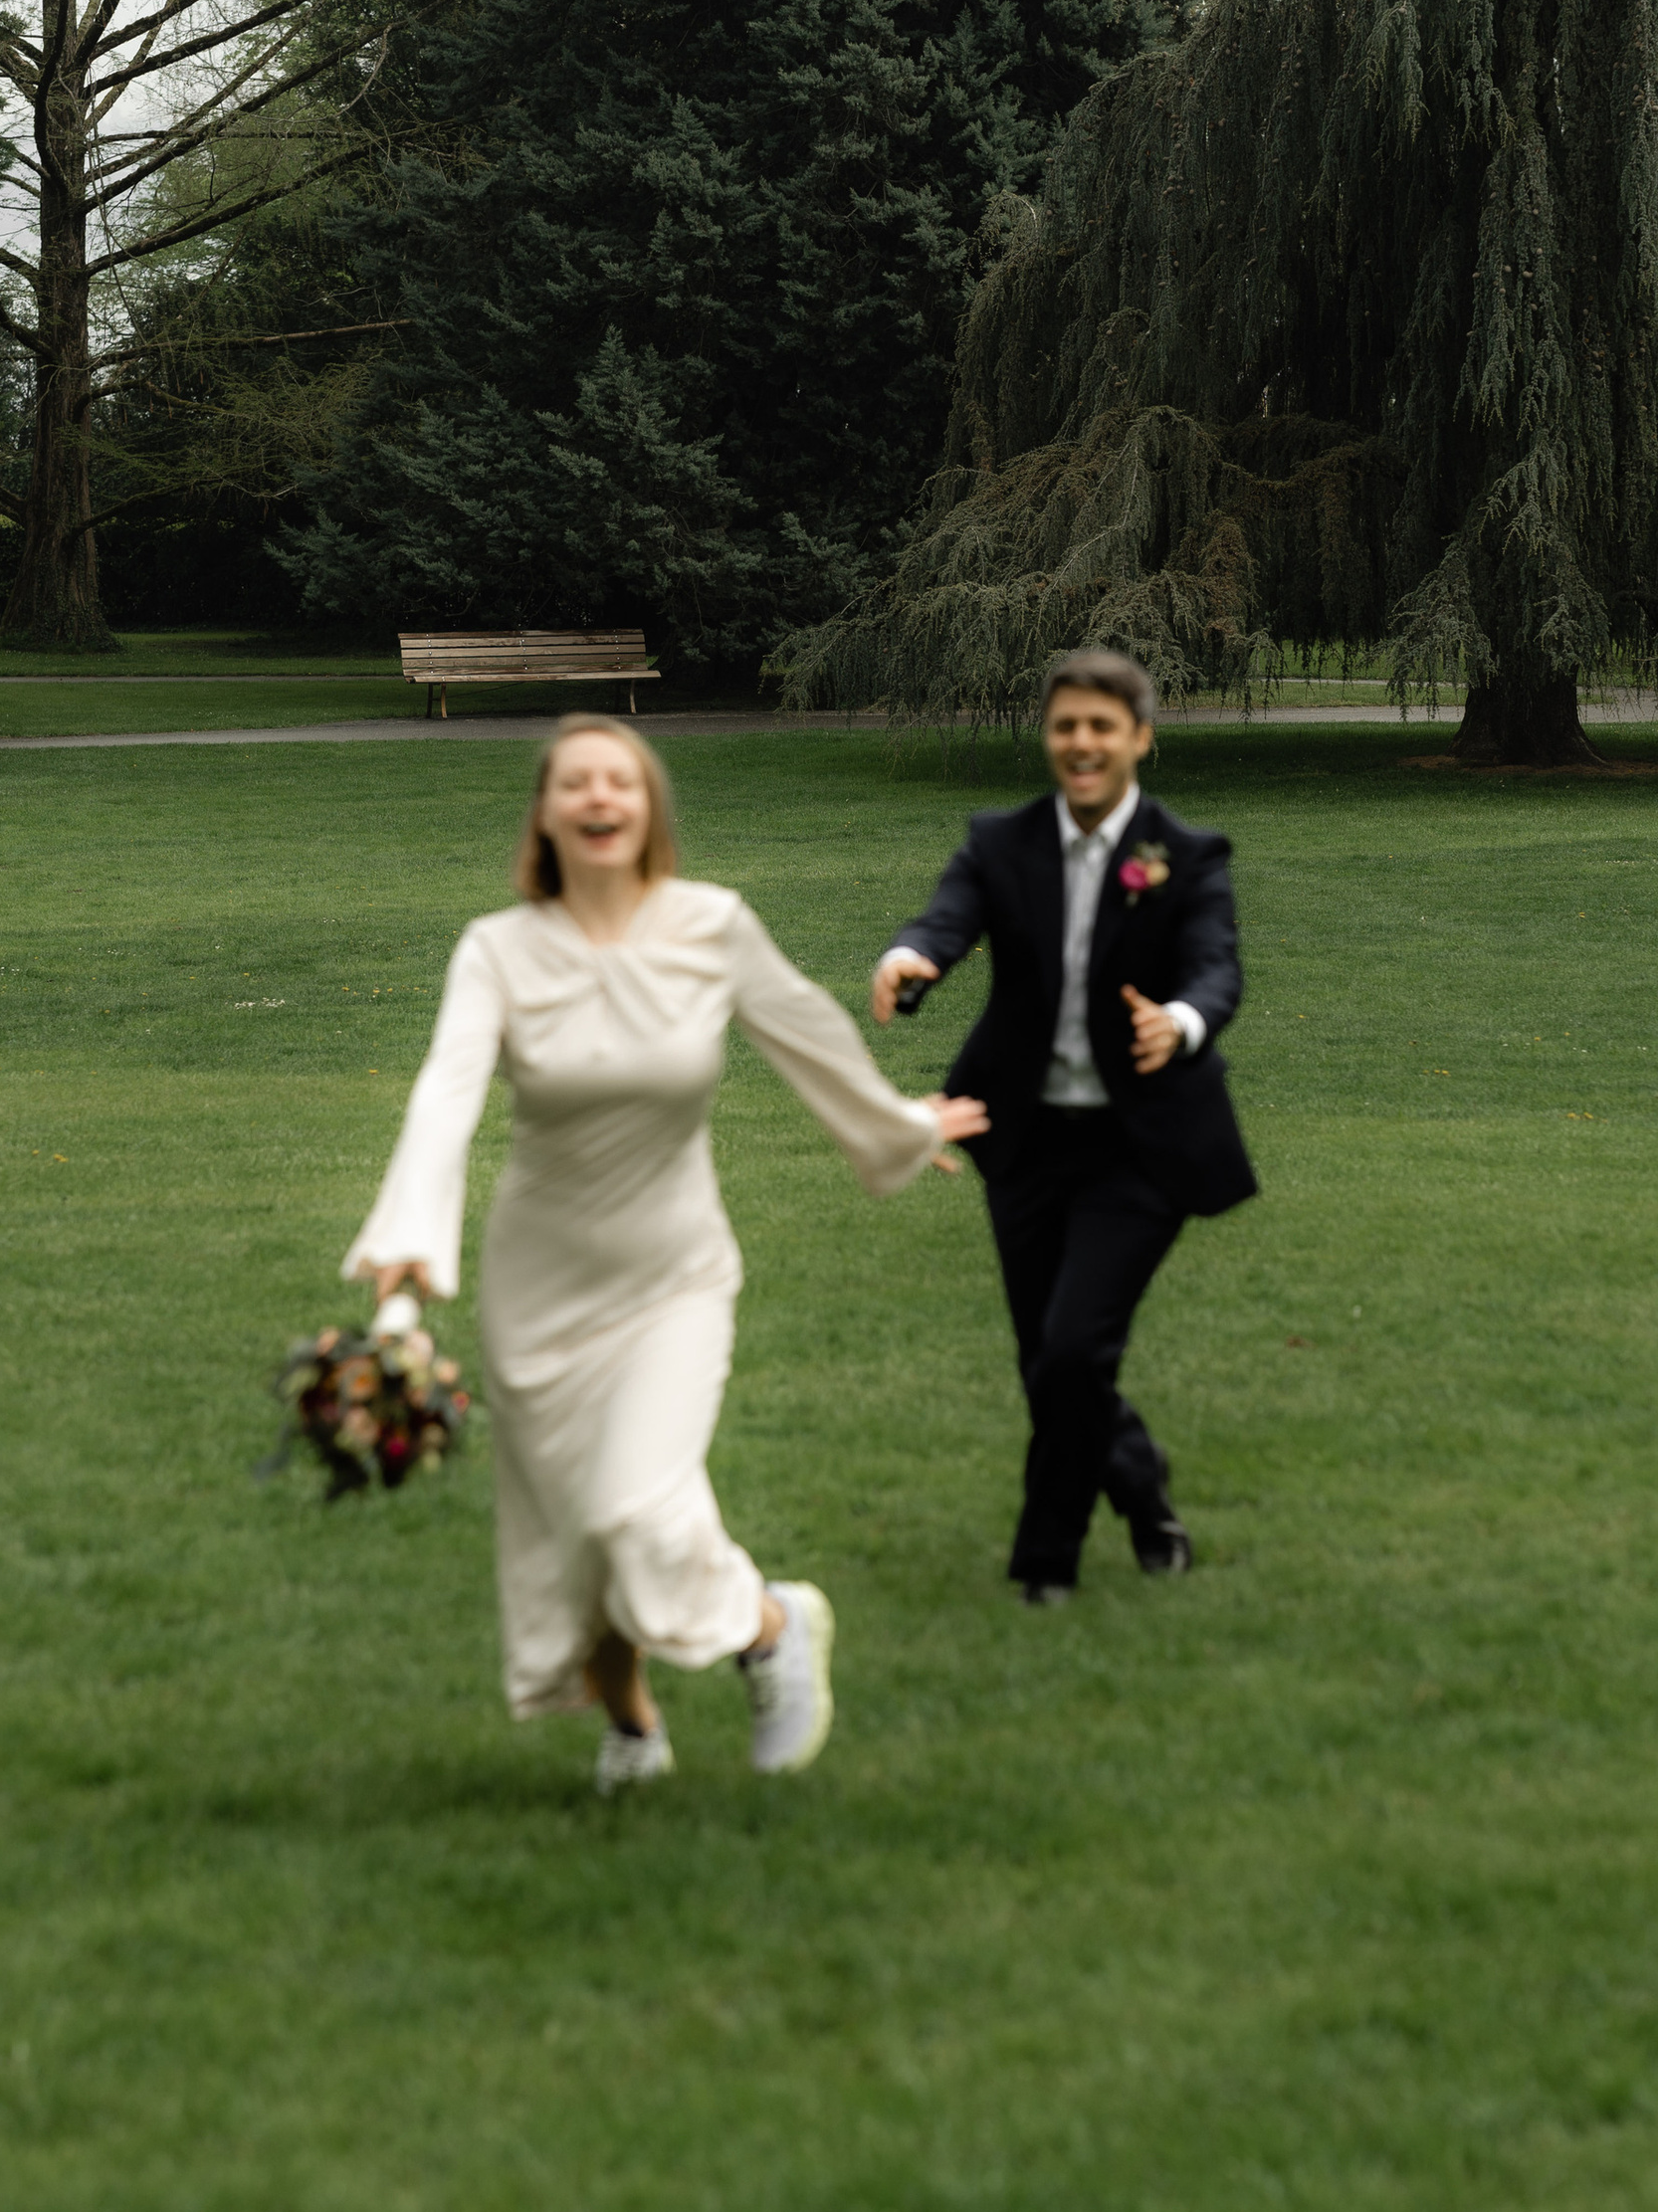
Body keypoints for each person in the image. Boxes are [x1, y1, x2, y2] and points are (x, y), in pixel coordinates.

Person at [346, 715, 986, 1790]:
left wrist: (895, 1125)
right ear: (546, 812)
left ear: (648, 809)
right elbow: (446, 1090)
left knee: (633, 1503)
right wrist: (410, 1233)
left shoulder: (711, 925)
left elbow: (803, 1030)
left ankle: (770, 1626)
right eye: (576, 783)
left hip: (673, 1276)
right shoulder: (495, 950)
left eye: (621, 782)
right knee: (572, 1533)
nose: (600, 798)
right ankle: (632, 1726)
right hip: (536, 1285)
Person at [870, 649, 1255, 1600]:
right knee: (1048, 1360)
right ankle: (1140, 1483)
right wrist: (911, 955)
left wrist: (1183, 1021)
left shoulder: (1185, 853)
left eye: (1101, 726)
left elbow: (1217, 967)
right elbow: (947, 918)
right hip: (1028, 1143)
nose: (1081, 744)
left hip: (1141, 1147)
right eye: (1064, 727)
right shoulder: (1001, 842)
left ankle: (1045, 1569)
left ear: (1140, 738)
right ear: (1048, 738)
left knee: (1077, 1349)